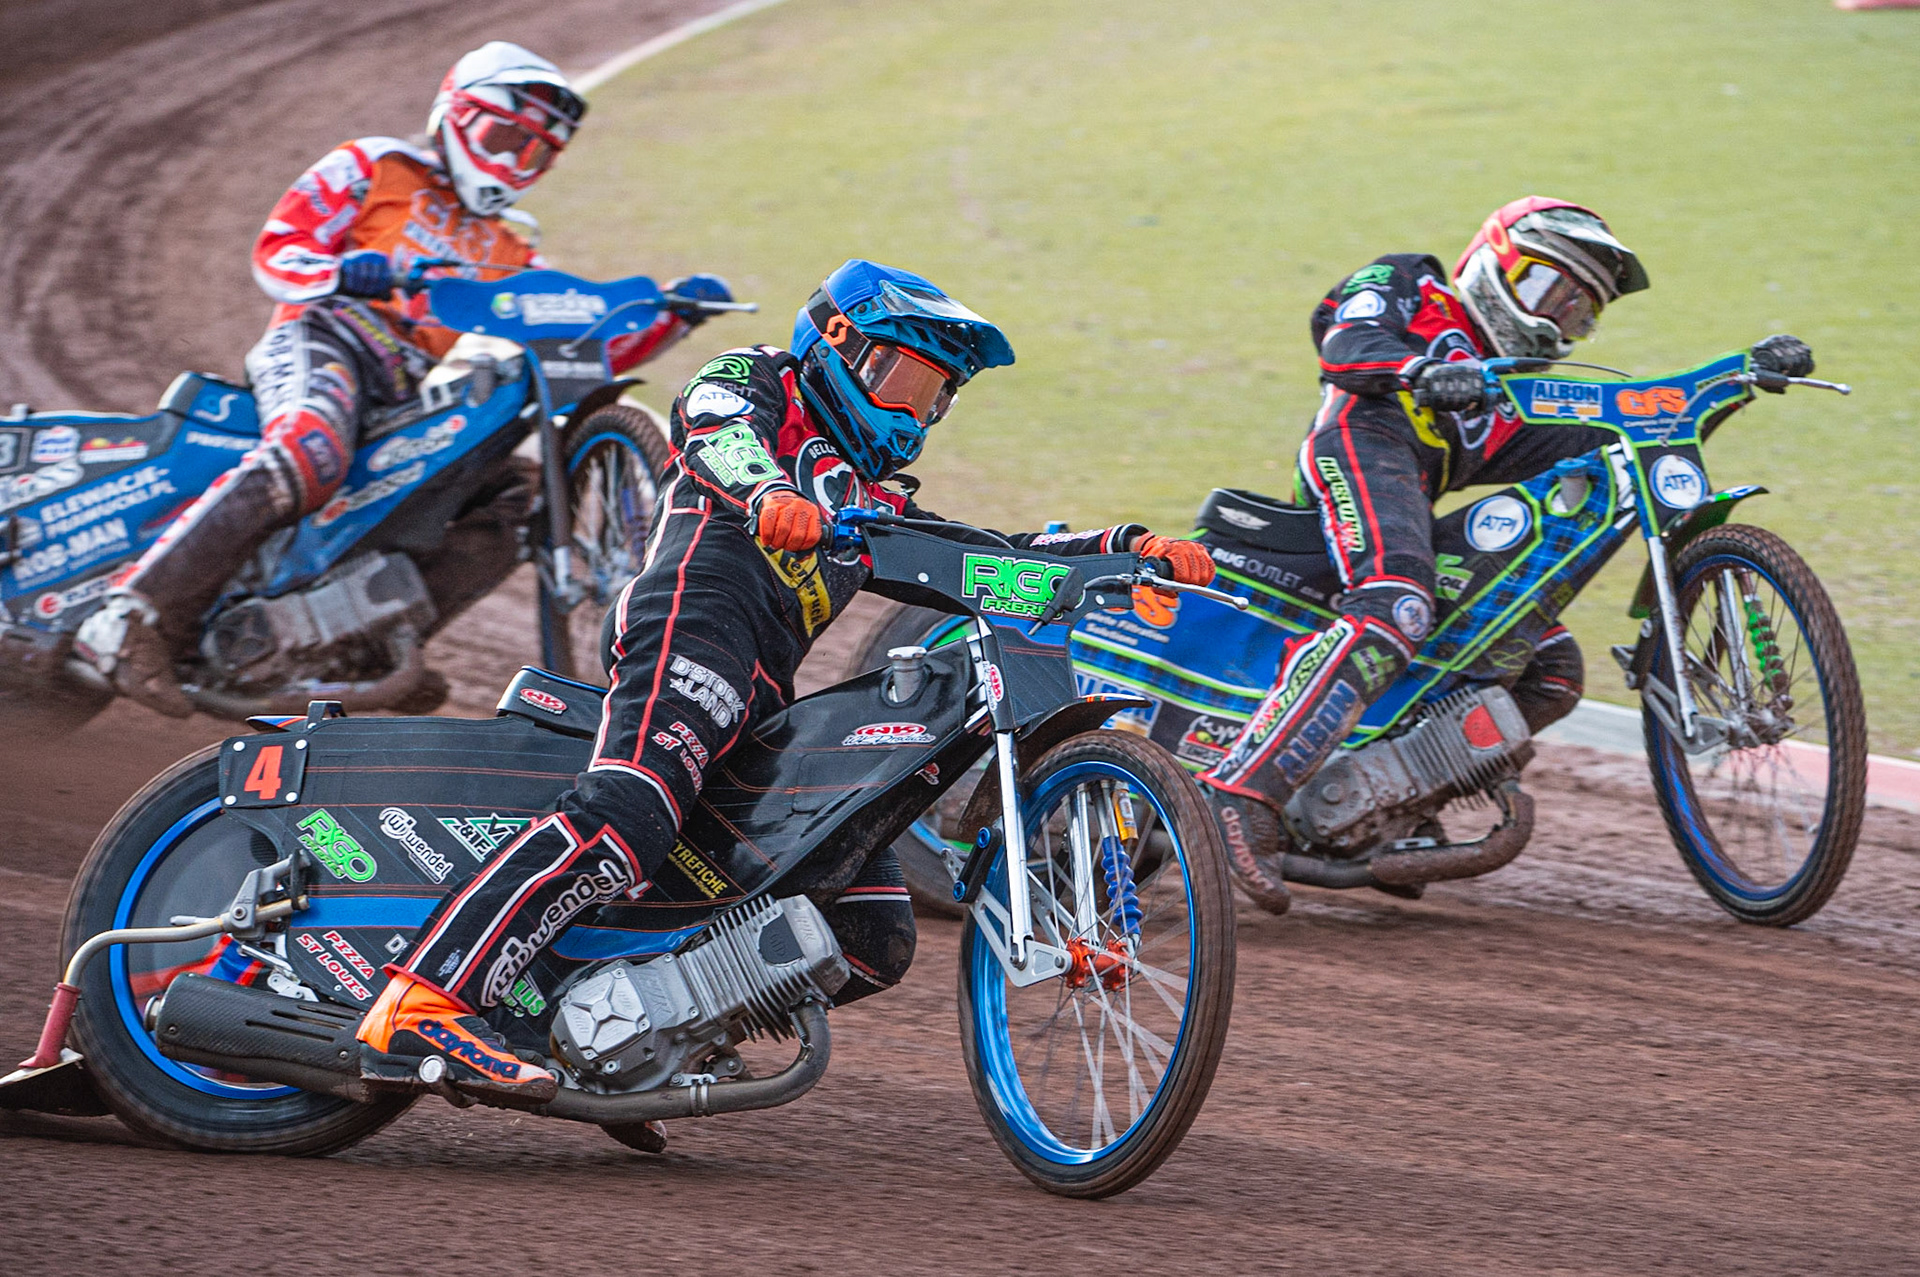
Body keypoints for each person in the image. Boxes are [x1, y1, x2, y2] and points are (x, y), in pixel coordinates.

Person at [352, 259, 1216, 1100]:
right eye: (903, 378)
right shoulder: (760, 381)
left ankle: (635, 1041)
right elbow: (713, 429)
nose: (914, 411)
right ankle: (424, 998)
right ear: (837, 342)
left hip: (765, 697)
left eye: (934, 395)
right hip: (688, 629)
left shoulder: (867, 493)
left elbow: (983, 557)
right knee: (626, 813)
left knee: (870, 930)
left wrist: (1123, 550)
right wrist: (766, 492)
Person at [1198, 196, 1814, 913]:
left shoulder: (1511, 395)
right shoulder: (1411, 283)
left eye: (1578, 314)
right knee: (1396, 604)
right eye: (1548, 293)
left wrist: (1739, 379)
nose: (1557, 323)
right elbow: (1344, 345)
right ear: (1495, 265)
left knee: (1553, 669)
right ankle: (1244, 788)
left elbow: (1625, 430)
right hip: (1363, 439)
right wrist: (1419, 369)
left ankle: (1388, 800)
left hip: (1416, 499)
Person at [77, 41, 704, 716]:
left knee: (508, 505)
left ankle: (364, 639)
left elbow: (569, 343)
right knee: (309, 448)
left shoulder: (512, 246)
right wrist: (343, 272)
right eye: (503, 138)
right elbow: (278, 248)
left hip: (411, 389)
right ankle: (129, 615)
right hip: (324, 337)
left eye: (534, 153)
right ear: (457, 117)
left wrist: (670, 314)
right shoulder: (376, 164)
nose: (513, 163)